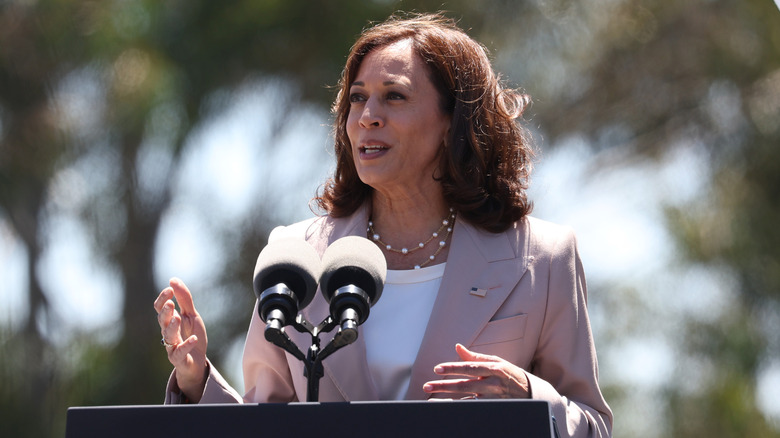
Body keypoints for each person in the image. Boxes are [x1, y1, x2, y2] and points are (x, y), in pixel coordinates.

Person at [153, 12, 613, 437]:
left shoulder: (545, 257)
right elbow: (266, 423)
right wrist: (197, 382)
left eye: (394, 96)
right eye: (357, 98)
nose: (367, 116)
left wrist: (530, 397)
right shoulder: (294, 258)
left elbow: (592, 425)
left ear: (454, 121)